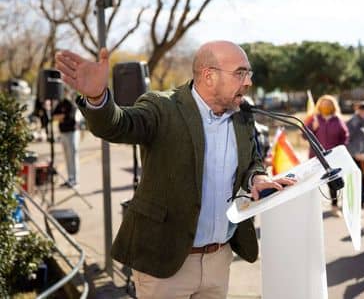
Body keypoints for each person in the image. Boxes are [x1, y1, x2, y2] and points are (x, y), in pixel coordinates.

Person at [55, 40, 295, 299]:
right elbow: (119, 125)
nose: (248, 82)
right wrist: (98, 98)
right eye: (240, 73)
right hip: (165, 263)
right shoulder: (162, 107)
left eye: (249, 73)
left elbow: (252, 161)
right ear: (209, 76)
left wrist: (257, 177)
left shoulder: (243, 114)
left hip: (219, 259)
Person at [306, 94, 349, 217]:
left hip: (332, 158)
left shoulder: (338, 120)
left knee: (333, 183)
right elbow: (304, 136)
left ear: (333, 106)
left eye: (328, 104)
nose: (325, 106)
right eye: (323, 103)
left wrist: (339, 151)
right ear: (319, 105)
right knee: (314, 183)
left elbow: (345, 137)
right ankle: (312, 208)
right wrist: (312, 128)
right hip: (316, 157)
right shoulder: (314, 119)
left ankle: (335, 206)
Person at [346, 101, 364, 208]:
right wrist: (355, 153)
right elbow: (346, 141)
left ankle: (361, 202)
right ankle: (355, 203)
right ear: (359, 111)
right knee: (356, 182)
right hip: (356, 158)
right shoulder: (353, 123)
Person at [53, 90, 80, 188]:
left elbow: (69, 117)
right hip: (63, 133)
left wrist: (60, 117)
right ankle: (70, 178)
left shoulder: (71, 104)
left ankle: (75, 180)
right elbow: (54, 116)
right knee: (67, 157)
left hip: (72, 133)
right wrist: (60, 117)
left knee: (73, 156)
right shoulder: (60, 104)